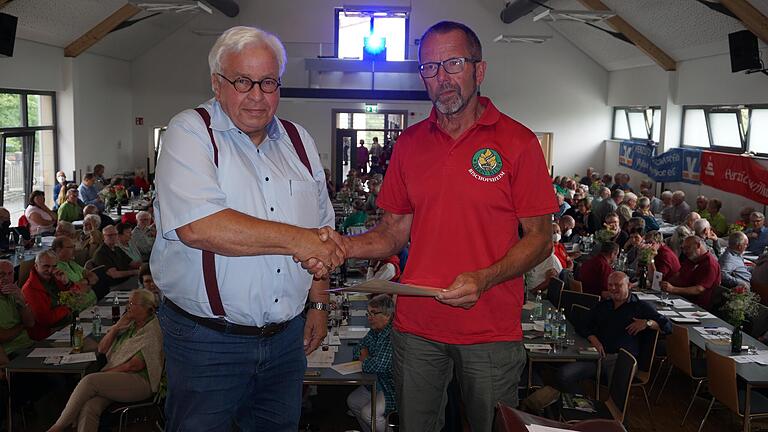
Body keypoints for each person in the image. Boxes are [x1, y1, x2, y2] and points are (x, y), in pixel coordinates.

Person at [312, 21, 557, 431]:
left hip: (490, 328)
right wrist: (342, 245)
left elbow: (541, 238)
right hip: (417, 328)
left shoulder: (518, 142)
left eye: (453, 64)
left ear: (479, 70)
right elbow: (393, 231)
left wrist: (485, 277)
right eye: (429, 68)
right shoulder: (409, 144)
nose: (441, 78)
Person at [152, 26, 343, 431]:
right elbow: (200, 227)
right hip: (208, 344)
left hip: (286, 341)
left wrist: (320, 302)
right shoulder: (190, 132)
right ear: (217, 83)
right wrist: (300, 239)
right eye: (243, 81)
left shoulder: (300, 141)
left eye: (268, 82)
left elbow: (322, 230)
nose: (257, 95)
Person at [47, 289, 163, 432]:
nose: (128, 306)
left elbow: (134, 365)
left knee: (89, 381)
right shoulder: (131, 325)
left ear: (147, 307)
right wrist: (116, 327)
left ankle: (57, 427)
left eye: (132, 303)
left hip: (140, 382)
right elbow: (102, 349)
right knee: (90, 406)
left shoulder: (152, 329)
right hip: (120, 379)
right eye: (128, 302)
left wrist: (106, 372)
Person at [556, 271, 671, 394]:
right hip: (596, 356)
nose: (613, 288)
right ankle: (582, 404)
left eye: (618, 285)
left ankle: (607, 411)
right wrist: (593, 338)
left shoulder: (640, 306)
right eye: (610, 285)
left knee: (615, 394)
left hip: (621, 360)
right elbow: (581, 324)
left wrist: (647, 323)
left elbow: (668, 326)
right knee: (563, 375)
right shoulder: (604, 305)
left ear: (628, 286)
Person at [347, 294, 395, 432]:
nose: (369, 317)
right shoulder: (375, 331)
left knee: (368, 414)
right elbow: (358, 348)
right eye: (368, 313)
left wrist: (365, 359)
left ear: (387, 315)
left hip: (392, 386)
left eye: (373, 313)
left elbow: (378, 365)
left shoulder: (391, 334)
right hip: (379, 381)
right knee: (353, 401)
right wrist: (364, 355)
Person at [22, 251, 72, 340]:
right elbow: (46, 319)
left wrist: (66, 283)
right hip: (48, 333)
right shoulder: (30, 288)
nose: (50, 270)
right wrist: (67, 307)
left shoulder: (57, 277)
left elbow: (78, 296)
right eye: (46, 266)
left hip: (66, 323)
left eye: (54, 266)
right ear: (36, 266)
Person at [662, 236, 721, 309]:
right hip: (680, 299)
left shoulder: (710, 264)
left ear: (698, 245)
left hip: (697, 306)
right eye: (683, 248)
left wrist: (673, 289)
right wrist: (664, 284)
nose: (685, 251)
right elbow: (678, 275)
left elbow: (699, 289)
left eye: (687, 248)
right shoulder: (692, 259)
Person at [0, 259, 34, 364]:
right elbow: (3, 336)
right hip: (11, 352)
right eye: (1, 274)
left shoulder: (14, 293)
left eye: (10, 274)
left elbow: (30, 323)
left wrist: (22, 302)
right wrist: (21, 326)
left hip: (29, 345)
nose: (6, 278)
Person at [52, 236, 99, 306]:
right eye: (71, 247)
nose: (75, 249)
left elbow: (94, 277)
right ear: (59, 250)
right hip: (80, 310)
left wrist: (85, 282)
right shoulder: (57, 268)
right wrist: (88, 283)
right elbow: (75, 289)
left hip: (93, 305)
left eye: (74, 246)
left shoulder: (72, 263)